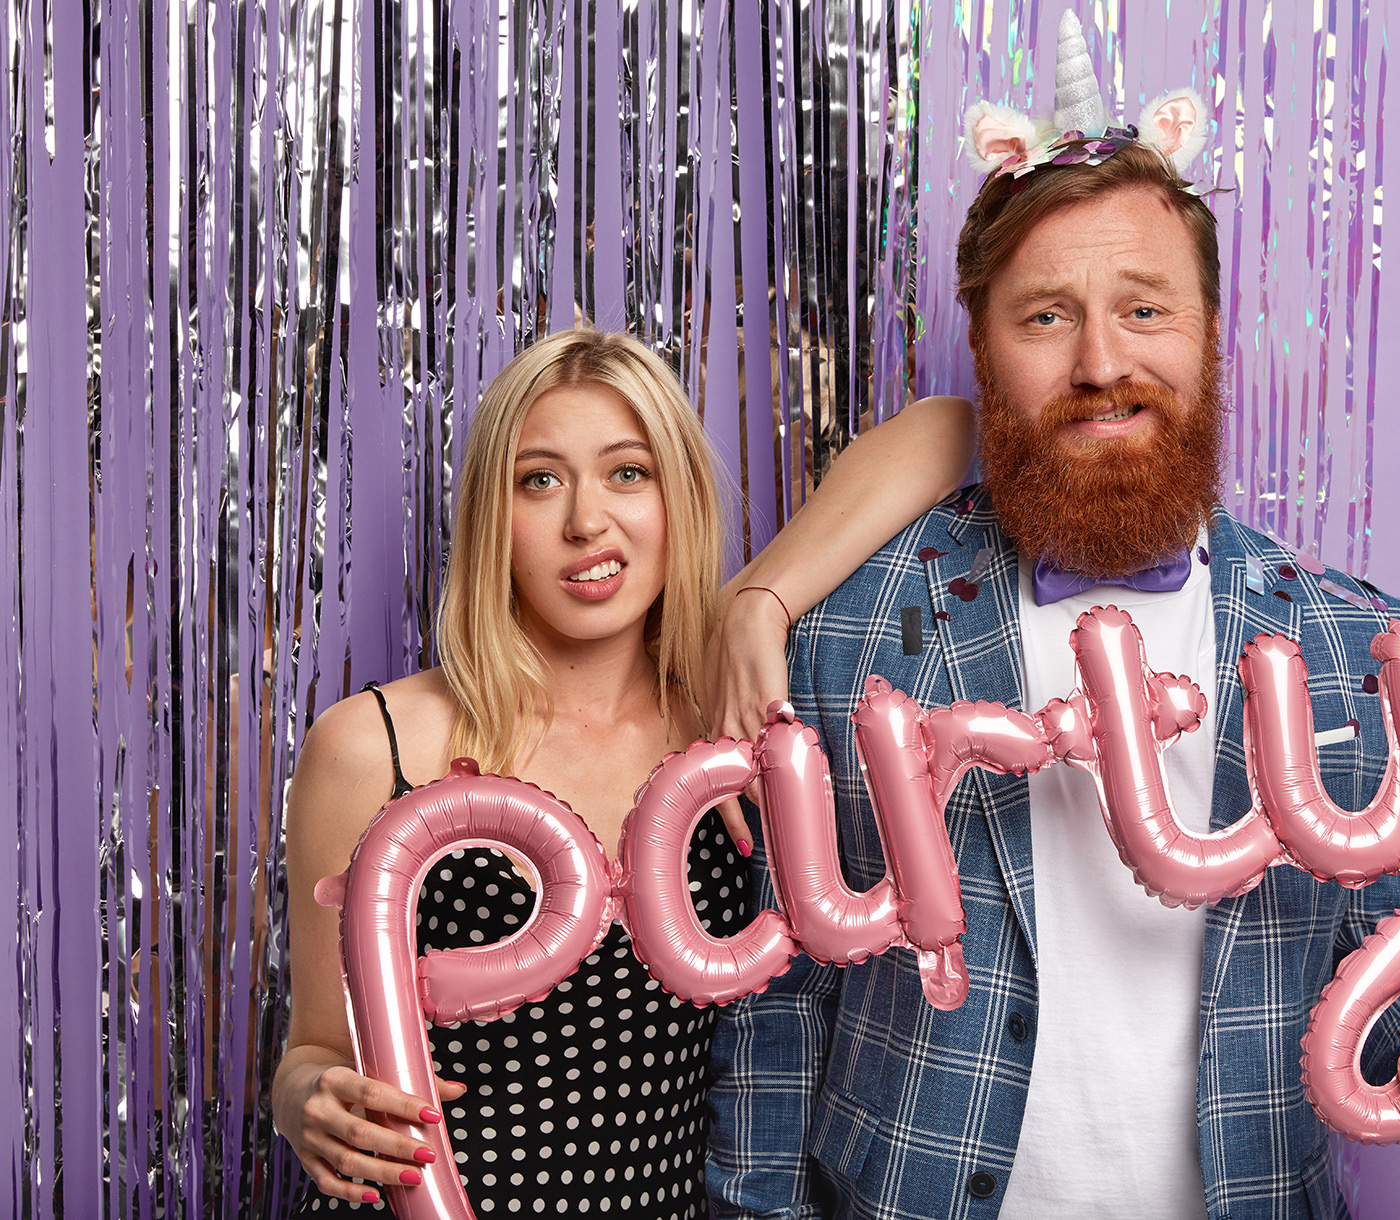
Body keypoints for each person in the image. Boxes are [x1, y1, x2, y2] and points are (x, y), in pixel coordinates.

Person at [706, 102, 1400, 1220]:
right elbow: (776, 1007)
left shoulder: (1357, 650)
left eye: (1144, 308)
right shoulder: (844, 634)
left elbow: (1395, 995)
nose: (1101, 363)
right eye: (1045, 316)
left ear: (1209, 332)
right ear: (983, 351)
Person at [273, 326, 973, 1216]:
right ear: (491, 517)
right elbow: (313, 1049)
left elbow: (950, 429)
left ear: (677, 496)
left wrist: (757, 605)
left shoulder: (726, 714)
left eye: (628, 472)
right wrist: (309, 1101)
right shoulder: (372, 746)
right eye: (539, 480)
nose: (585, 521)